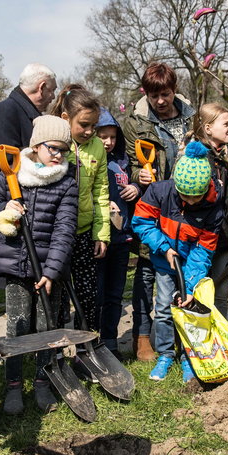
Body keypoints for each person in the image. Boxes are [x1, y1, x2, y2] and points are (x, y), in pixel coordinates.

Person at [0, 115, 78, 414]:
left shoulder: (66, 182)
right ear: (36, 146)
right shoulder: (11, 175)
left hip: (49, 270)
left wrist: (51, 272)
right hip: (16, 266)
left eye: (64, 150)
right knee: (17, 326)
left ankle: (41, 381)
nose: (58, 155)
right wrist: (4, 208)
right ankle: (13, 386)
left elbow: (65, 231)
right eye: (53, 148)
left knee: (47, 328)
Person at [122, 62, 196, 361]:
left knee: (182, 270)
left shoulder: (192, 118)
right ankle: (142, 336)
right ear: (146, 94)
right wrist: (138, 174)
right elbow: (128, 162)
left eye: (165, 94)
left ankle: (182, 335)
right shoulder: (135, 122)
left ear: (174, 90)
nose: (160, 102)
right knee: (147, 271)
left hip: (185, 207)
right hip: (152, 205)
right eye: (154, 96)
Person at [132, 141, 223, 382]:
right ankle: (165, 354)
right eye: (185, 196)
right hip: (164, 262)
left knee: (187, 310)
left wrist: (190, 286)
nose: (191, 202)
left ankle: (187, 356)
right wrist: (163, 248)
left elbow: (203, 250)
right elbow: (141, 222)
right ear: (176, 186)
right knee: (163, 308)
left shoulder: (213, 208)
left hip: (190, 265)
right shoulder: (160, 192)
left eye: (196, 197)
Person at [50, 85, 109, 380]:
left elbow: (100, 191)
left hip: (85, 232)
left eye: (93, 126)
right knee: (59, 299)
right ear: (65, 118)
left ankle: (88, 351)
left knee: (87, 295)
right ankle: (58, 353)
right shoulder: (54, 145)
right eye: (83, 125)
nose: (89, 131)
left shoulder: (97, 147)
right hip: (58, 238)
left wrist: (101, 233)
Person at [0, 63, 57, 289]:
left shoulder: (25, 112)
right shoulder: (8, 110)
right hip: (17, 205)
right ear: (42, 87)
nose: (52, 97)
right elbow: (4, 165)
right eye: (52, 91)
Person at [188, 103, 228, 314]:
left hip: (223, 238)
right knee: (197, 291)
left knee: (221, 293)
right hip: (198, 239)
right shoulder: (194, 160)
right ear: (208, 128)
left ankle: (219, 342)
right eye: (225, 124)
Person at [95, 108, 138, 358]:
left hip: (121, 238)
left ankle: (110, 341)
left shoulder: (122, 161)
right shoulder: (89, 161)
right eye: (103, 136)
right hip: (99, 239)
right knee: (97, 294)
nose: (108, 142)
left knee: (115, 293)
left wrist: (135, 187)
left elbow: (136, 181)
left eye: (112, 137)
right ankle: (92, 342)